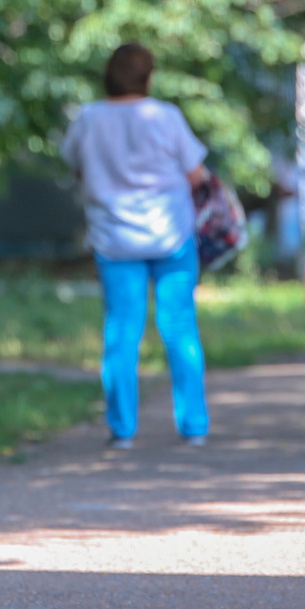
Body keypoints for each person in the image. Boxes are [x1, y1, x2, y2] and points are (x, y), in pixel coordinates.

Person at [62, 43, 212, 449]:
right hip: (172, 237)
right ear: (148, 77)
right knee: (179, 328)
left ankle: (122, 430)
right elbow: (197, 176)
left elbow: (75, 166)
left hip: (114, 239)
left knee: (122, 332)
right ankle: (194, 427)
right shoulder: (165, 116)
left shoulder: (88, 119)